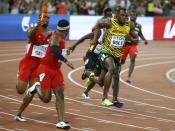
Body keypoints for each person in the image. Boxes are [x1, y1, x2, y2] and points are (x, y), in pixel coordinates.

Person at [26, 19, 74, 130]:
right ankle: (36, 87)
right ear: (66, 30)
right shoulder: (56, 36)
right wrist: (66, 61)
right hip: (45, 69)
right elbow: (54, 51)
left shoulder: (60, 37)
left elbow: (58, 50)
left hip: (56, 70)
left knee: (60, 93)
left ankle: (61, 122)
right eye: (68, 29)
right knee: (46, 98)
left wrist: (66, 51)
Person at [15, 1, 51, 122]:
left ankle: (19, 114)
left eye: (48, 18)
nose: (46, 19)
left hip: (39, 66)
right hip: (27, 63)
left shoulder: (51, 34)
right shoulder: (32, 29)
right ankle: (20, 77)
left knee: (32, 90)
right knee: (20, 90)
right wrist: (37, 26)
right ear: (40, 19)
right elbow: (30, 37)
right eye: (44, 17)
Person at [91, 8, 135, 107]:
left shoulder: (129, 24)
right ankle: (104, 99)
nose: (124, 17)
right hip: (106, 52)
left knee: (115, 77)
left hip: (117, 55)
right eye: (122, 15)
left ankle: (115, 99)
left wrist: (134, 39)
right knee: (111, 69)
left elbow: (131, 35)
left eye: (125, 15)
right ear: (116, 16)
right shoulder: (109, 22)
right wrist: (94, 39)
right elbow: (98, 25)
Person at [69, 7, 112, 99]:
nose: (110, 18)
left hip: (101, 56)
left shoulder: (111, 32)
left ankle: (86, 92)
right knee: (95, 77)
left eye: (111, 16)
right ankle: (87, 71)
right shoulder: (99, 31)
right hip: (92, 55)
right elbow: (85, 37)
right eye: (108, 17)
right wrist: (74, 46)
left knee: (98, 78)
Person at [121, 10, 148, 83]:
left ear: (136, 17)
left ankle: (128, 77)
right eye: (131, 15)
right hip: (125, 45)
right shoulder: (126, 24)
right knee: (121, 62)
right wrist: (131, 38)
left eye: (134, 15)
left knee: (133, 58)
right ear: (129, 16)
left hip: (133, 46)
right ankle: (116, 74)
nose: (132, 16)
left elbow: (140, 34)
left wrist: (144, 40)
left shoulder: (139, 26)